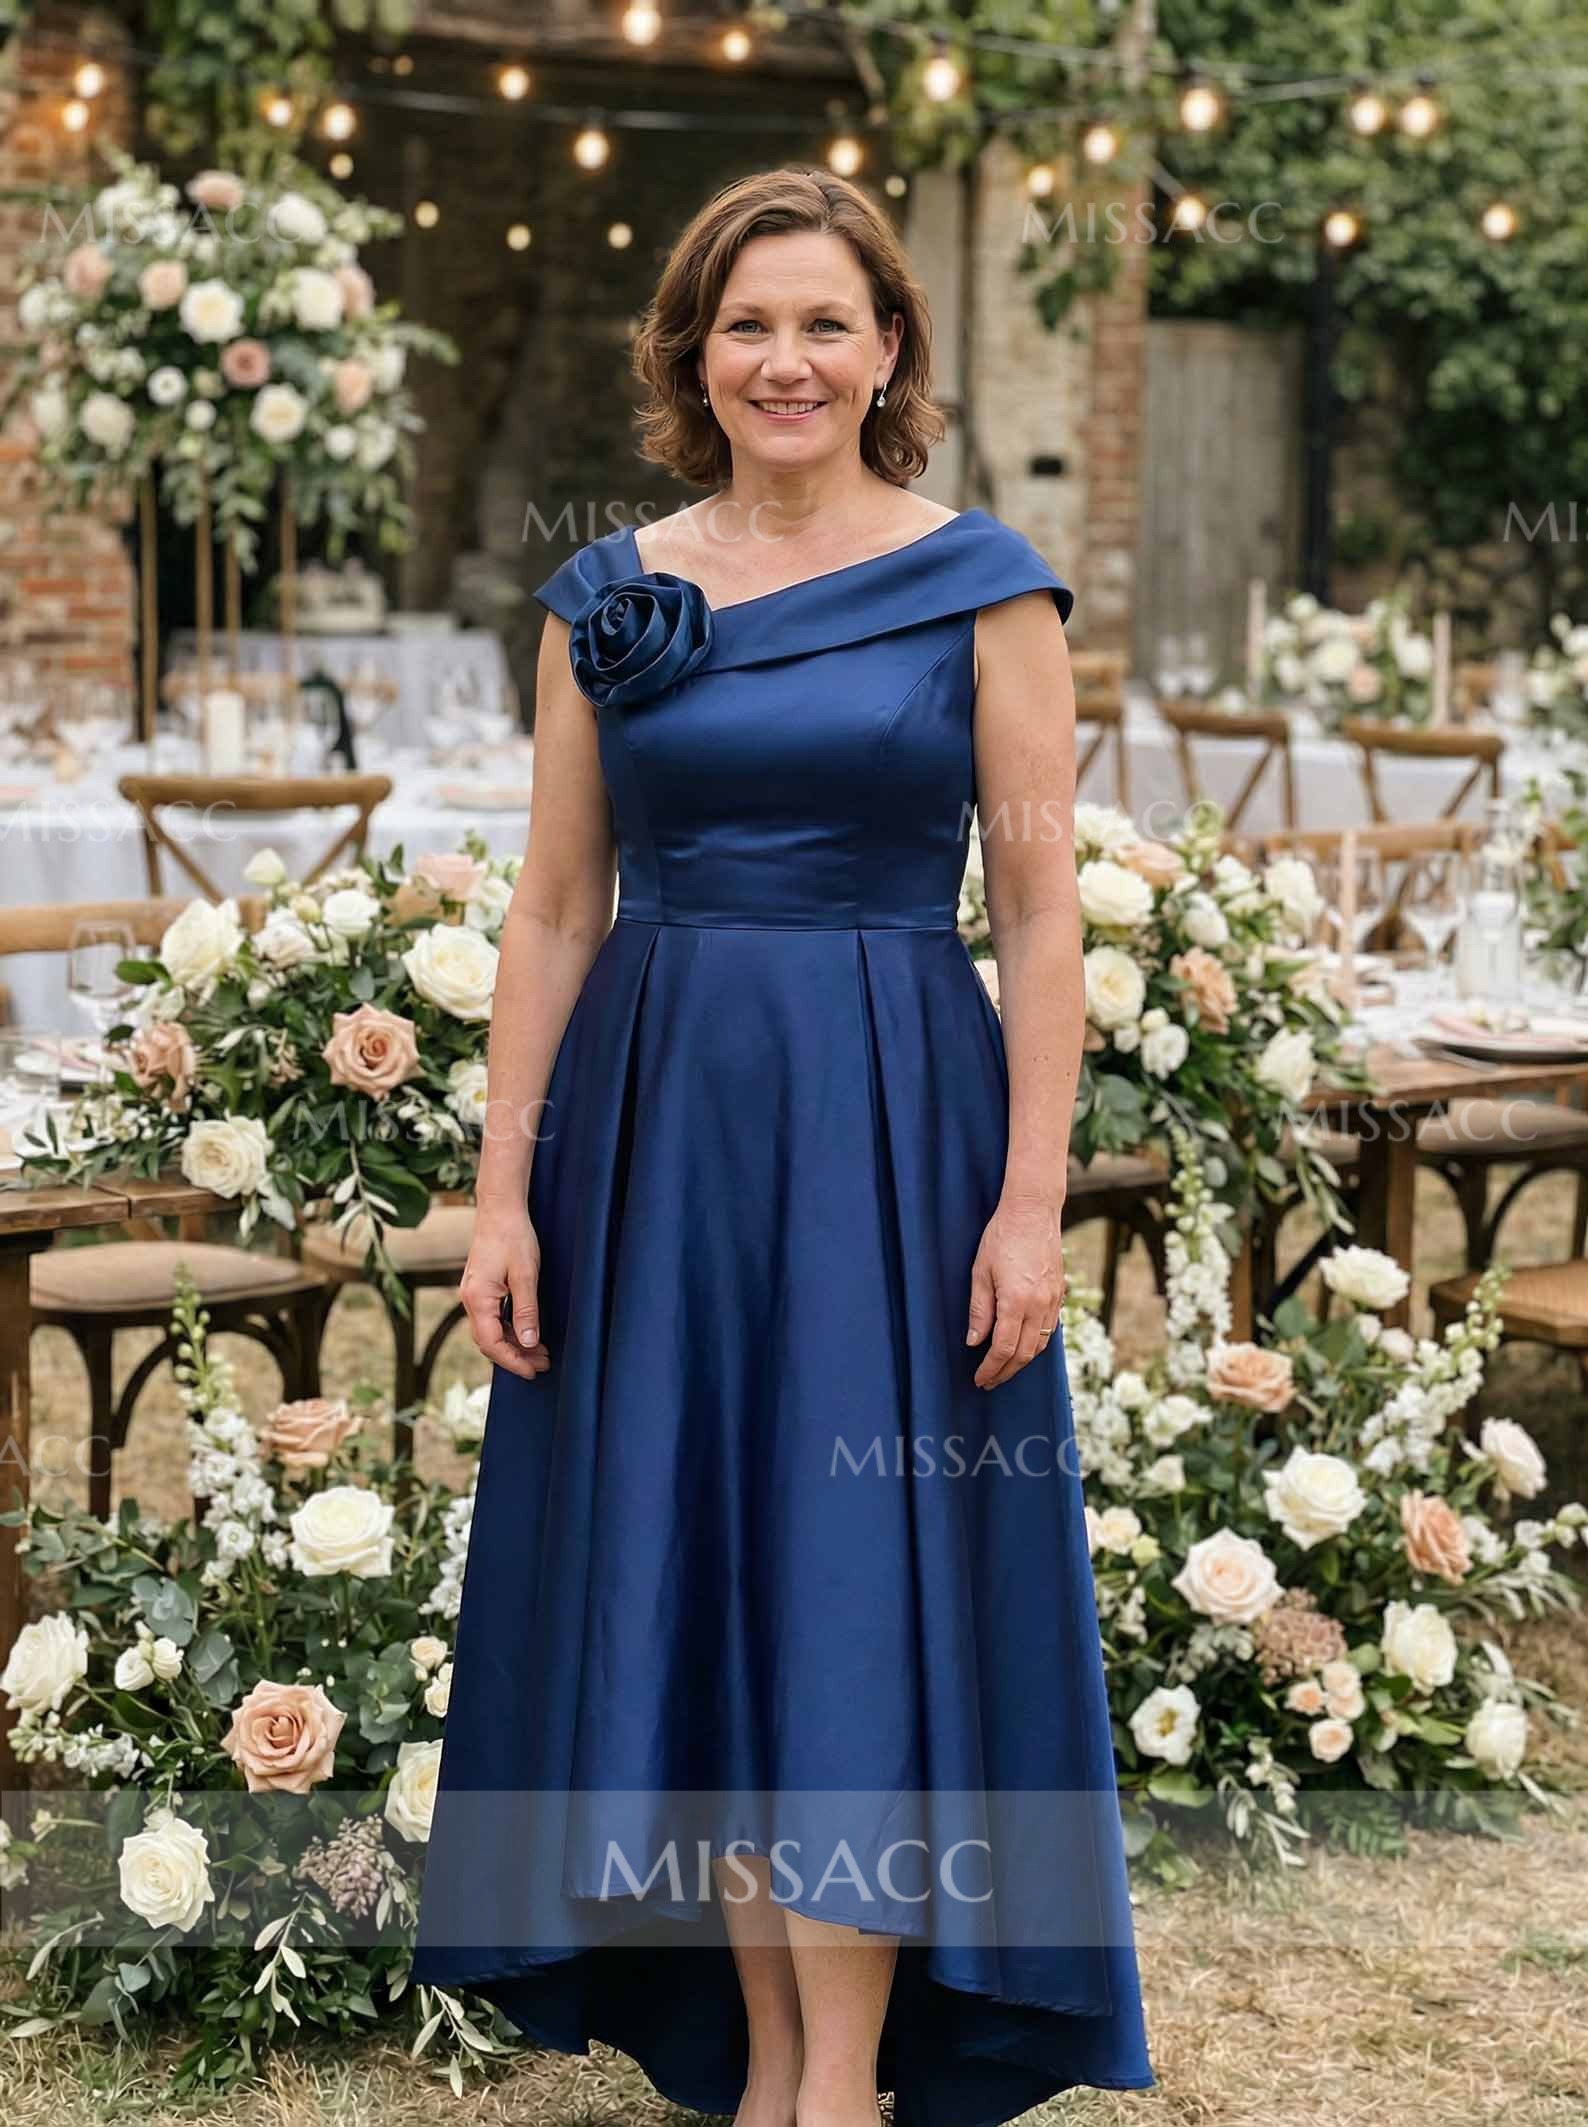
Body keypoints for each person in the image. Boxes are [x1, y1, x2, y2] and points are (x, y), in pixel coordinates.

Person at [411, 165, 1155, 2127]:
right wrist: (504, 1192)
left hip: (897, 1132)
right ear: (693, 354)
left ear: (889, 347)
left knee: (850, 1584)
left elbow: (1040, 913)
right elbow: (552, 909)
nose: (786, 359)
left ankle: (840, 2080)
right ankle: (771, 2071)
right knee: (718, 1579)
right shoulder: (608, 598)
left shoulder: (984, 585)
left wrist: (1029, 1197)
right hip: (658, 1140)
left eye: (826, 321)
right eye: (747, 324)